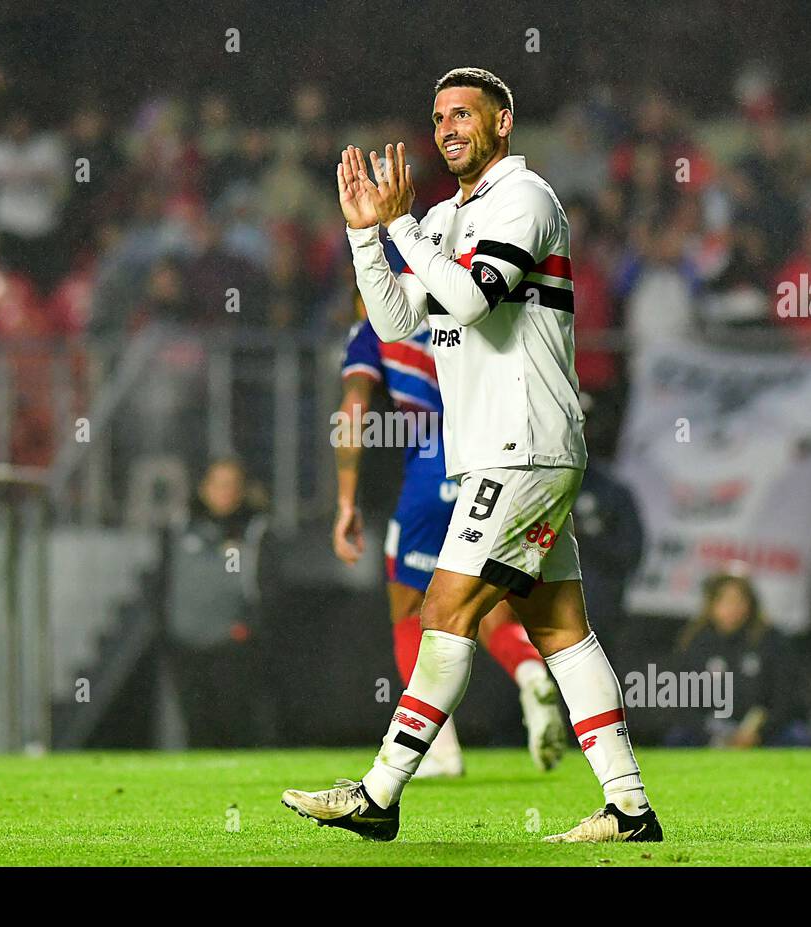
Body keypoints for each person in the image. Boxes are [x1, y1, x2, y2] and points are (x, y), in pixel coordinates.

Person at [283, 68, 661, 843]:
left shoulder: (525, 200)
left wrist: (406, 231)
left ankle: (380, 795)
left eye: (464, 113)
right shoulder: (448, 217)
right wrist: (367, 233)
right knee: (560, 628)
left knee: (444, 609)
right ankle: (629, 808)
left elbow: (474, 298)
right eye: (438, 116)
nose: (448, 126)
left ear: (503, 121)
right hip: (506, 450)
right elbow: (394, 324)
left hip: (522, 446)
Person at [335, 289, 567, 777]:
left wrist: (345, 499)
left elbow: (354, 410)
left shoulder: (374, 328)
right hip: (497, 461)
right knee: (483, 594)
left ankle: (439, 750)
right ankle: (529, 674)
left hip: (432, 466)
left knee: (410, 606)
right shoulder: (462, 308)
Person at [165, 457, 275, 748]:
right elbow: (162, 580)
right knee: (196, 725)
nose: (226, 492)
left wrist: (248, 628)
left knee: (238, 723)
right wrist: (166, 628)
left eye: (233, 485)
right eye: (219, 484)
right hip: (185, 645)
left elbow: (270, 588)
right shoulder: (180, 527)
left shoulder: (256, 530)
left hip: (233, 646)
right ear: (204, 488)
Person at [666, 570, 811, 748]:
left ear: (751, 604)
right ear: (711, 605)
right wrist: (713, 735)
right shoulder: (694, 643)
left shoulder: (770, 641)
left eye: (739, 600)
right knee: (678, 737)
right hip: (711, 730)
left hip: (761, 730)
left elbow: (786, 697)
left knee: (797, 735)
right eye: (725, 601)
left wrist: (758, 732)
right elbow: (682, 704)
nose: (732, 608)